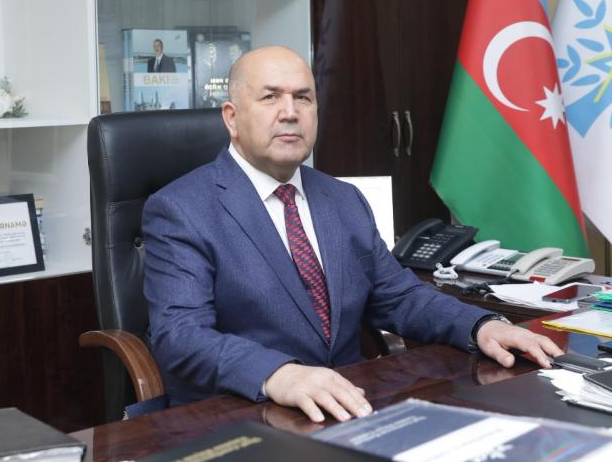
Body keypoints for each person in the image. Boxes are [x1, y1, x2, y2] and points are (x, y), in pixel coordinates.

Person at [143, 45, 562, 422]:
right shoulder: (182, 209)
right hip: (241, 413)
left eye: (303, 97)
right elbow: (181, 336)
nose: (290, 112)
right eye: (270, 97)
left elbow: (398, 296)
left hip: (349, 404)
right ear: (232, 118)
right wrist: (277, 374)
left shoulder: (342, 198)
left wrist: (480, 325)